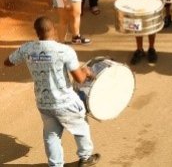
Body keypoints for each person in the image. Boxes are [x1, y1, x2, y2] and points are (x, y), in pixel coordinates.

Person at [4, 17, 101, 167]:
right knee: (80, 127)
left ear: (37, 32)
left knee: (51, 135)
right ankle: (85, 157)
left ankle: (55, 165)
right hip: (65, 102)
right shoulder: (64, 50)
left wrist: (32, 59)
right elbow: (80, 79)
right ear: (54, 30)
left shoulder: (27, 48)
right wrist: (86, 71)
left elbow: (8, 62)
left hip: (44, 103)